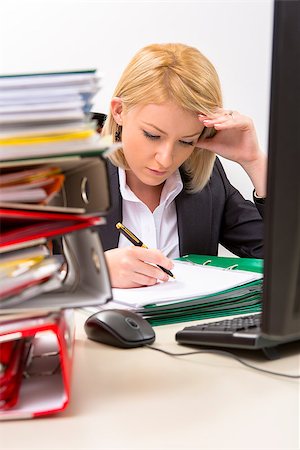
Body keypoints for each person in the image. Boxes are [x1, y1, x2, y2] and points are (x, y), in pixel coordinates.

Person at [98, 43, 267, 289]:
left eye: (186, 141)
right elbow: (23, 270)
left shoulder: (208, 183)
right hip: (94, 327)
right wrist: (93, 270)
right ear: (119, 111)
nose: (166, 159)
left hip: (185, 326)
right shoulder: (69, 177)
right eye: (153, 135)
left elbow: (283, 257)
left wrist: (254, 161)